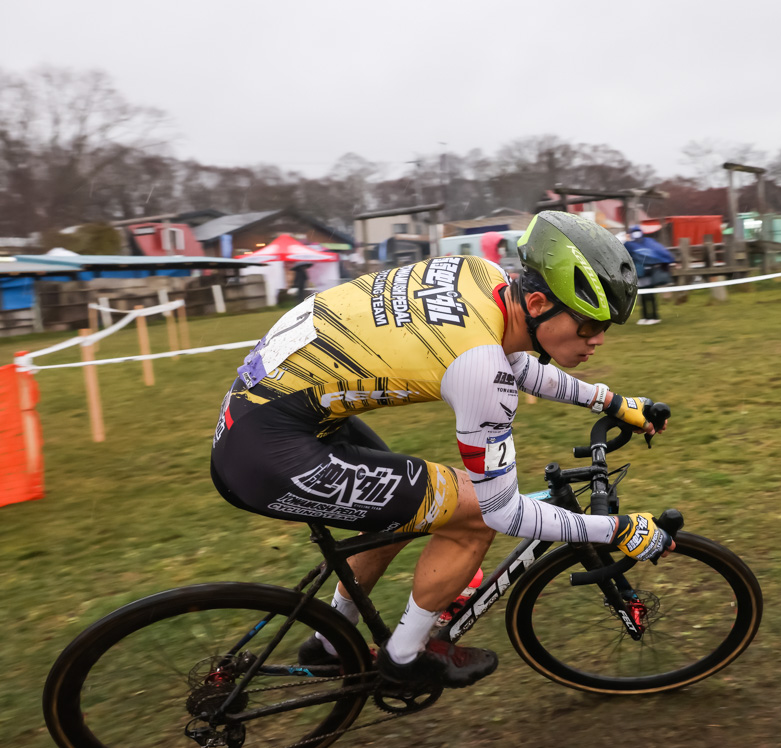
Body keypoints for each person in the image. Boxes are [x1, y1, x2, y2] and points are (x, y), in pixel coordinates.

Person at [210, 211, 673, 692]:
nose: (597, 340)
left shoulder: (484, 279)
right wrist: (617, 530)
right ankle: (405, 659)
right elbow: (502, 513)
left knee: (402, 511)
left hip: (270, 416)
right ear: (536, 302)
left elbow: (519, 363)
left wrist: (614, 402)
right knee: (473, 511)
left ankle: (329, 641)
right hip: (270, 449)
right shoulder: (479, 369)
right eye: (587, 326)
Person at [623, 225, 675, 324]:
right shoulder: (630, 245)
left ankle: (654, 317)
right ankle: (645, 317)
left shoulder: (648, 242)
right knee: (643, 296)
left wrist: (670, 260)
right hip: (639, 273)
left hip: (650, 273)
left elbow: (660, 252)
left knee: (650, 296)